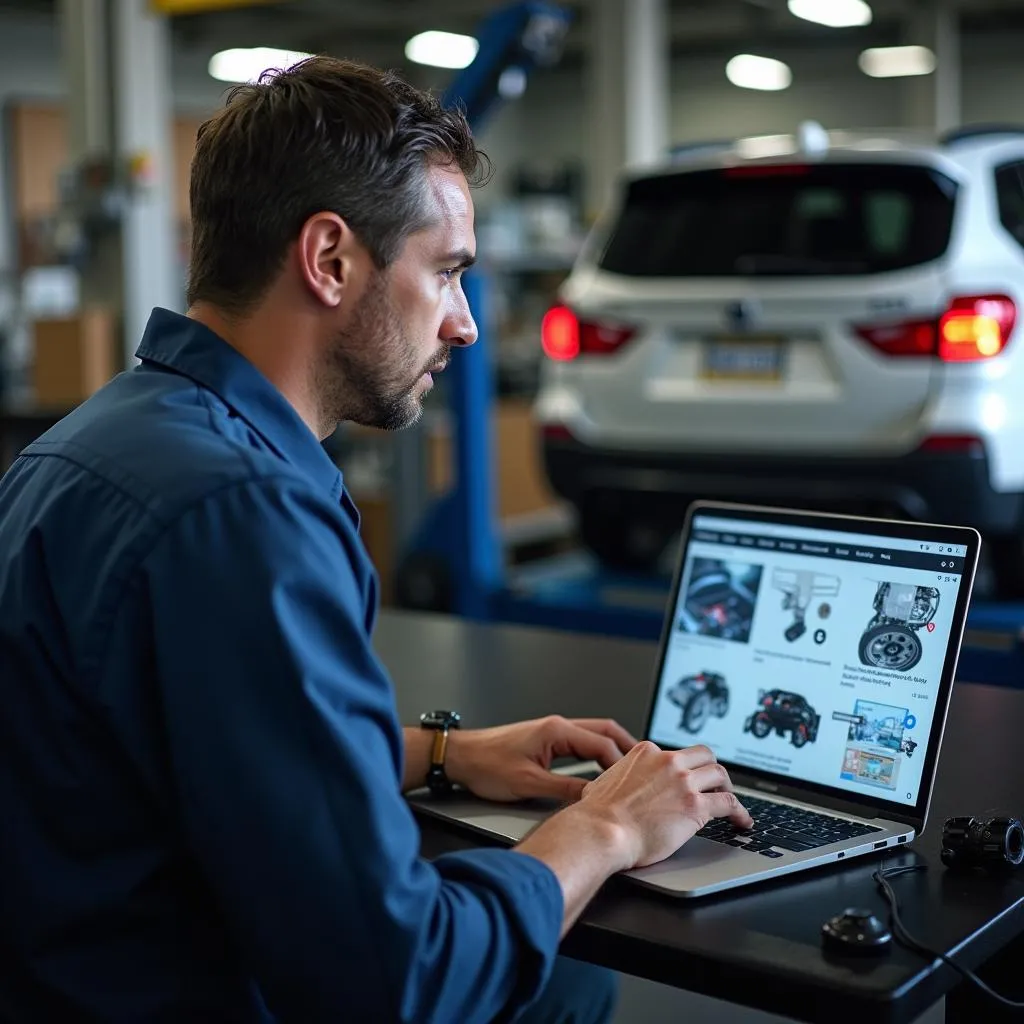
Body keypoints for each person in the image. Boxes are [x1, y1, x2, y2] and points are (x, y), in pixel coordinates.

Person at [0, 57, 751, 1023]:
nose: (467, 324)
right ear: (330, 259)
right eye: (445, 273)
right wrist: (606, 829)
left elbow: (185, 736)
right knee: (566, 984)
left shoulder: (92, 441)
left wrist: (444, 753)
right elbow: (401, 978)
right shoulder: (243, 514)